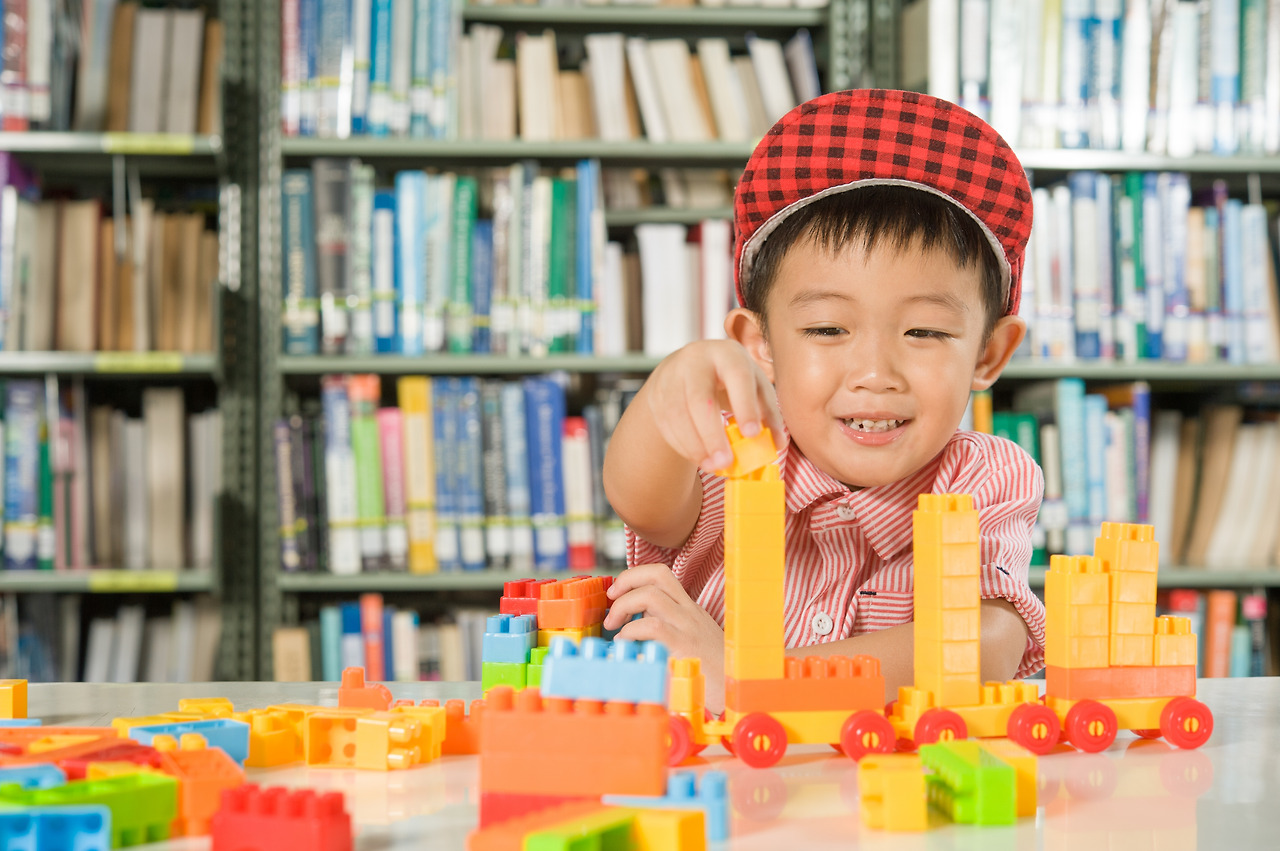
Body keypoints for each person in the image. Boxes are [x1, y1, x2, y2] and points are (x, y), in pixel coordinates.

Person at [600, 89, 1046, 714]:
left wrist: (746, 679)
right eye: (828, 330)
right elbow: (643, 502)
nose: (874, 373)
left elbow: (982, 646)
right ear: (760, 345)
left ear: (988, 355)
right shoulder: (738, 450)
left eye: (924, 332)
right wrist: (663, 400)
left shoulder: (984, 478)